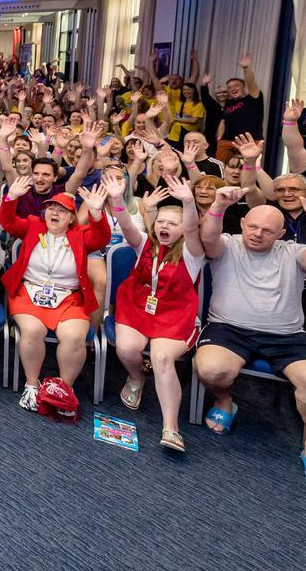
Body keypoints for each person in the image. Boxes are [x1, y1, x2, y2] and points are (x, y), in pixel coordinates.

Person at [195, 184, 306, 488]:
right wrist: (219, 206)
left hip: (286, 335)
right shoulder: (227, 244)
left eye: (267, 230)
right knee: (210, 369)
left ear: (281, 234)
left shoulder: (293, 252)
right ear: (242, 223)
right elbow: (207, 238)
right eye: (252, 227)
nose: (257, 234)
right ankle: (224, 401)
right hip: (229, 329)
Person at [105, 173, 205, 452]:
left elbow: (194, 230)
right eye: (160, 222)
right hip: (137, 306)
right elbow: (126, 225)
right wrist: (116, 198)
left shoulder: (193, 253)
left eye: (172, 224)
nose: (164, 226)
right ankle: (137, 378)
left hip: (174, 315)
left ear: (183, 229)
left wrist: (188, 202)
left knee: (161, 358)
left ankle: (170, 427)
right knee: (126, 349)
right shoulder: (144, 244)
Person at [0, 175, 111, 412]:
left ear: (71, 218)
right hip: (29, 292)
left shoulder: (80, 234)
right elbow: (7, 222)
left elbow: (102, 237)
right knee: (32, 331)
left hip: (70, 298)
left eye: (62, 210)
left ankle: (62, 389)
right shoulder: (33, 226)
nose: (55, 212)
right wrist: (11, 198)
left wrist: (96, 214)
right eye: (51, 208)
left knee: (74, 337)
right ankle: (32, 385)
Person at [216, 53, 264, 162]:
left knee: (247, 169)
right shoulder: (228, 103)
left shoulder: (253, 98)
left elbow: (251, 82)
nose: (233, 88)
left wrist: (246, 68)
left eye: (236, 85)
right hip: (227, 142)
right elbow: (223, 120)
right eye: (230, 87)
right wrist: (219, 138)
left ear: (244, 87)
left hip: (249, 142)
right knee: (219, 168)